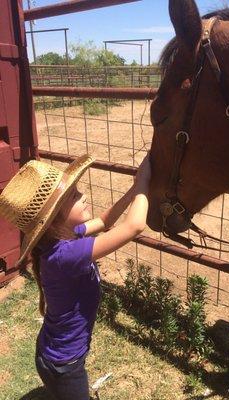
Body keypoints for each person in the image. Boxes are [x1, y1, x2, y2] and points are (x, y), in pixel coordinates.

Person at [0, 153, 151, 400]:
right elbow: (133, 227)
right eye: (74, 195)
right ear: (53, 218)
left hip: (53, 353)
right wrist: (145, 184)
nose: (83, 196)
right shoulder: (65, 254)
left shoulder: (63, 237)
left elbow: (104, 221)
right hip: (64, 366)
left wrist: (134, 189)